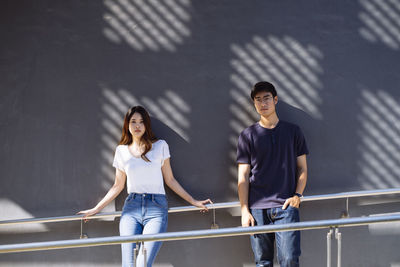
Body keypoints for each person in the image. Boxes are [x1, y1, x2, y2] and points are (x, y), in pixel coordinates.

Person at [78, 106, 212, 267]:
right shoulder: (121, 151)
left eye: (141, 122)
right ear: (127, 125)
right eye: (133, 121)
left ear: (146, 125)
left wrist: (194, 201)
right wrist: (95, 209)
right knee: (128, 264)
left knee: (142, 264)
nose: (137, 126)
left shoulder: (160, 146)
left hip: (156, 208)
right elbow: (117, 185)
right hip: (131, 208)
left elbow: (170, 180)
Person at [237, 81, 308, 267]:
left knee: (289, 260)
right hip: (257, 209)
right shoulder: (247, 135)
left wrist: (297, 196)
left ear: (275, 100)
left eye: (266, 98)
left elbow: (302, 169)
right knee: (262, 262)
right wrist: (244, 210)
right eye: (258, 100)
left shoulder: (293, 131)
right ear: (254, 104)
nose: (263, 103)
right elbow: (242, 177)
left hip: (286, 207)